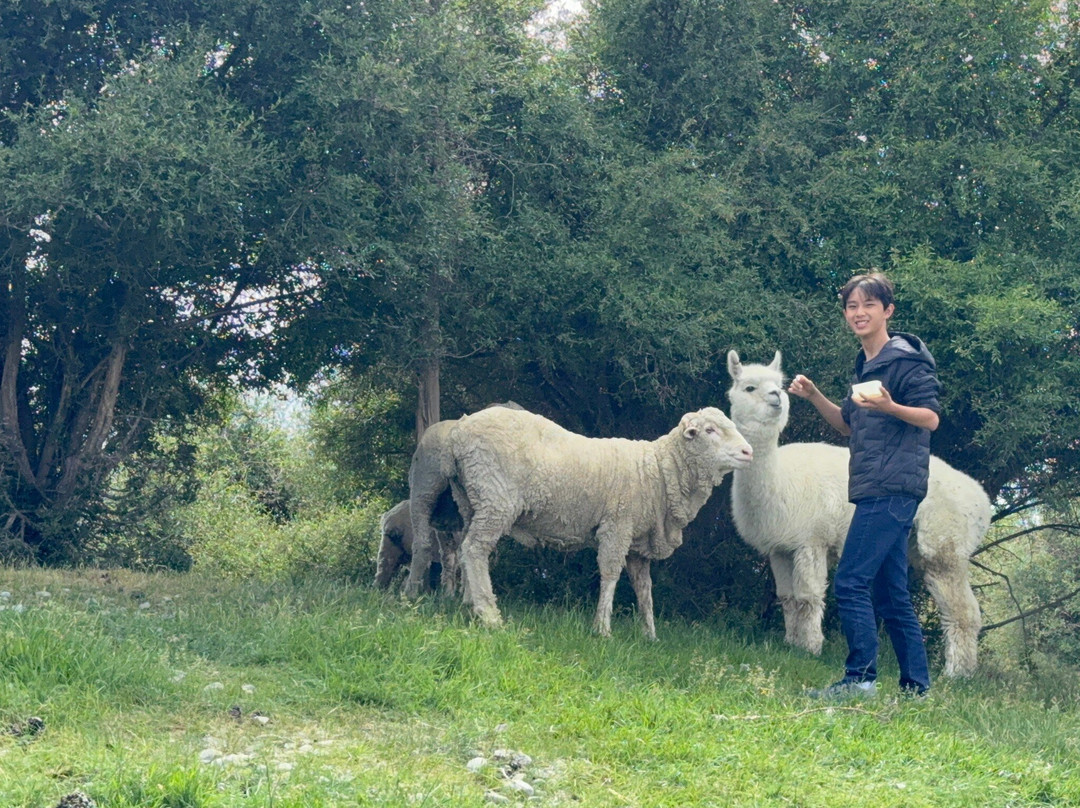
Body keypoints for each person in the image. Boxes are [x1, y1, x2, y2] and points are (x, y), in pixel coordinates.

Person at [788, 271, 940, 699]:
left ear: (887, 311)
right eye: (852, 306)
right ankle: (916, 689)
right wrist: (815, 394)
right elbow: (848, 426)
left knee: (851, 582)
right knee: (891, 595)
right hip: (876, 488)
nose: (859, 313)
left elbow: (930, 418)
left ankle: (860, 680)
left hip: (893, 488)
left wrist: (891, 405)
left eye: (868, 305)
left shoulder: (905, 360)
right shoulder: (866, 366)